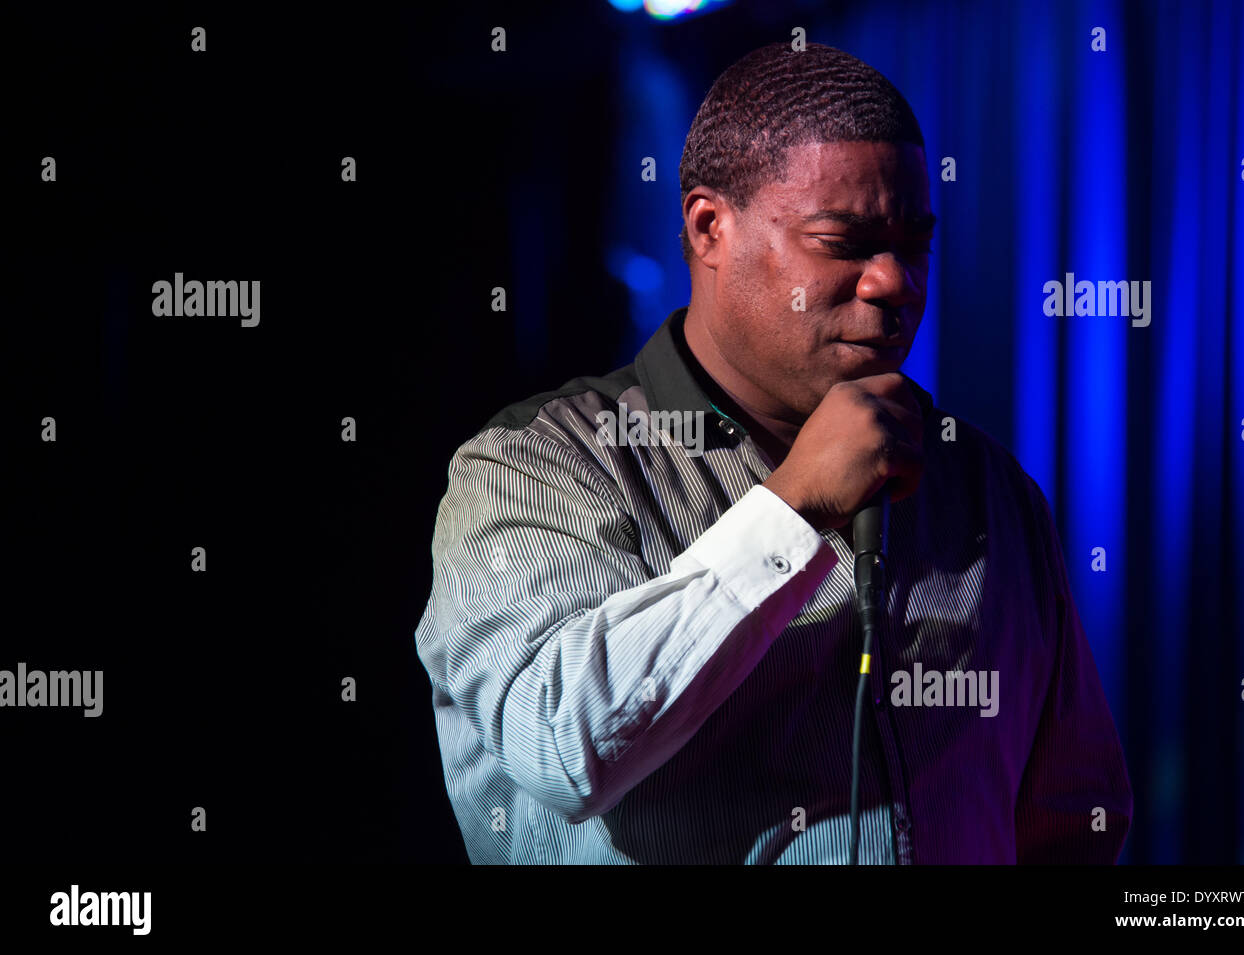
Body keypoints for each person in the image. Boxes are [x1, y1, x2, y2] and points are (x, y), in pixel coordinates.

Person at [414, 41, 1133, 864]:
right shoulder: (532, 467)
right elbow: (560, 745)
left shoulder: (988, 488)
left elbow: (1074, 814)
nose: (894, 281)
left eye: (913, 244)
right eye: (844, 242)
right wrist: (795, 507)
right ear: (709, 228)